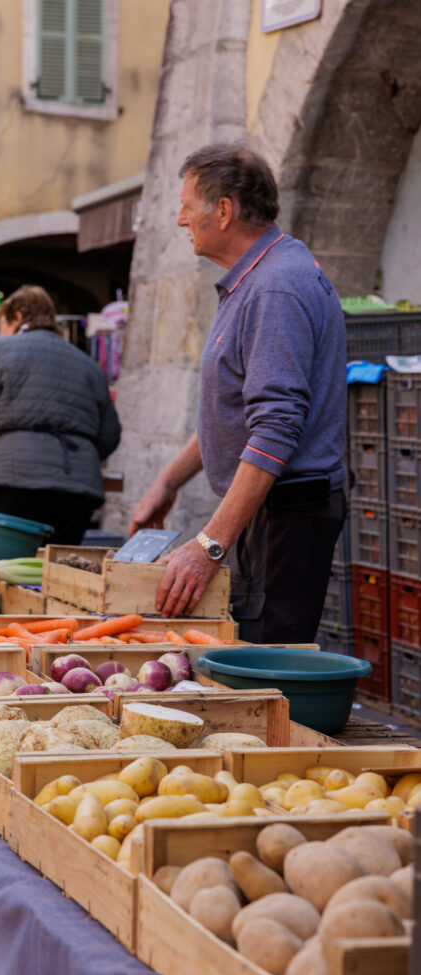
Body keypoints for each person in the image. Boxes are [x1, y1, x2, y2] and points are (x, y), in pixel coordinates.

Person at [130, 143, 347, 642]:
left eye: (187, 205)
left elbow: (275, 427)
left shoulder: (275, 288)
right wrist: (168, 482)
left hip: (286, 514)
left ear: (223, 211)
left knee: (263, 670)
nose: (179, 218)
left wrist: (210, 544)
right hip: (270, 509)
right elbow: (236, 411)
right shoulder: (259, 279)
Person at [0, 284, 122, 544]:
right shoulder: (89, 365)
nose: (1, 333)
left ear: (17, 316)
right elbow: (110, 435)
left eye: (2, 325)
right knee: (57, 573)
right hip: (77, 491)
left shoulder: (1, 350)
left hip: (11, 483)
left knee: (4, 572)